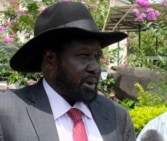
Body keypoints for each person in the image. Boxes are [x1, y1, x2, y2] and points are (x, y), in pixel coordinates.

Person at [0, 1, 136, 141]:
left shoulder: (117, 116)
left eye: (97, 57)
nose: (95, 67)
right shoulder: (6, 113)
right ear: (50, 60)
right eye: (84, 56)